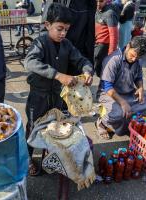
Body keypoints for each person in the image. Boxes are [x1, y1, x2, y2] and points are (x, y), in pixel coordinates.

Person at [24, 3, 94, 175]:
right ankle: (27, 158)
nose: (63, 33)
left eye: (66, 30)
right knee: (33, 128)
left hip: (57, 97)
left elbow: (81, 60)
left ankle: (49, 155)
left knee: (53, 127)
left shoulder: (67, 45)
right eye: (59, 28)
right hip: (38, 97)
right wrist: (57, 75)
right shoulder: (40, 42)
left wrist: (87, 70)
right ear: (47, 25)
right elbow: (30, 62)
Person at [96, 36, 146, 139]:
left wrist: (140, 88)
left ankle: (128, 126)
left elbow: (138, 76)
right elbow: (107, 86)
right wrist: (123, 102)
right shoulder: (113, 59)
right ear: (127, 47)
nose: (134, 59)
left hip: (128, 92)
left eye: (138, 57)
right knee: (119, 114)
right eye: (132, 55)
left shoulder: (137, 60)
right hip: (109, 94)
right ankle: (102, 123)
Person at [94, 0, 119, 77]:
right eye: (96, 1)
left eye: (101, 1)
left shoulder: (109, 13)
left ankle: (104, 84)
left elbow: (114, 35)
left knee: (100, 68)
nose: (98, 4)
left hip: (103, 45)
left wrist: (111, 53)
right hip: (96, 42)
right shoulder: (96, 11)